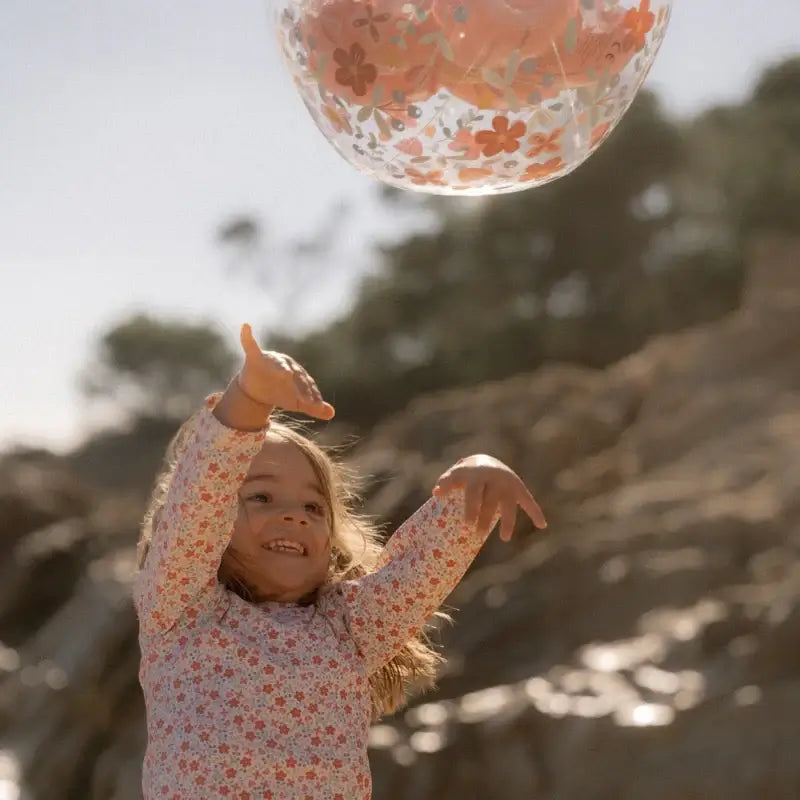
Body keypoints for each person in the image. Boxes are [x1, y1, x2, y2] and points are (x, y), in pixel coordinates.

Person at [134, 322, 547, 799]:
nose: (293, 515)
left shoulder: (346, 629)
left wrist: (473, 487)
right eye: (263, 497)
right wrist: (249, 399)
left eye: (313, 507)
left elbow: (415, 573)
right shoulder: (182, 611)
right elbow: (200, 498)